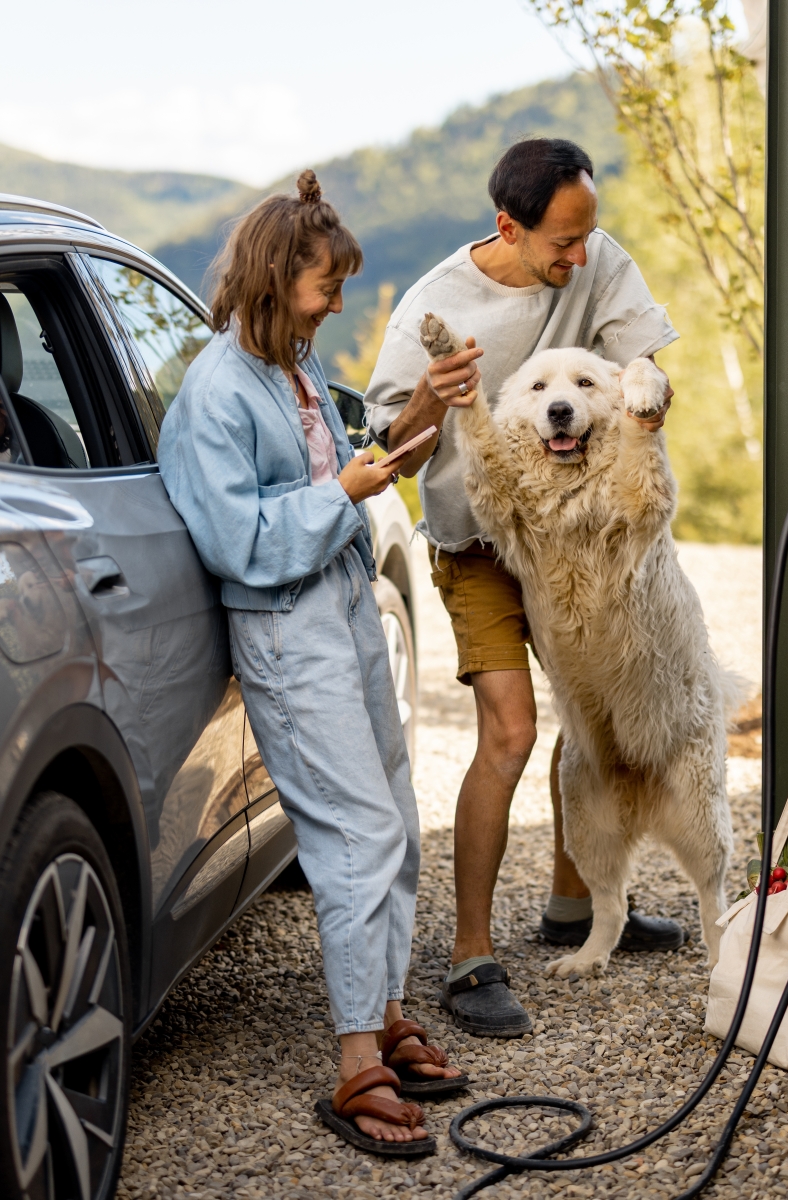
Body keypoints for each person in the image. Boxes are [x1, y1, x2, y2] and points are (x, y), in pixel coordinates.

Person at [158, 171, 466, 1156]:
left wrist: (427, 404)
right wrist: (340, 488)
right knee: (354, 834)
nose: (338, 302)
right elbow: (236, 542)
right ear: (274, 274)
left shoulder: (287, 368)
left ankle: (379, 1007)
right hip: (288, 634)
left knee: (395, 817)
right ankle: (352, 1069)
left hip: (337, 614)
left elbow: (358, 472)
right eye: (326, 285)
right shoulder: (214, 394)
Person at [364, 138, 685, 1038]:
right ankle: (471, 957)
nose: (579, 256)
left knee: (593, 721)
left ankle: (572, 907)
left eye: (587, 234)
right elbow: (389, 446)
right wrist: (434, 396)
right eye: (561, 242)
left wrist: (650, 399)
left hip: (574, 541)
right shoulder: (434, 304)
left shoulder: (596, 253)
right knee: (509, 731)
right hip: (478, 544)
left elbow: (647, 372)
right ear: (508, 227)